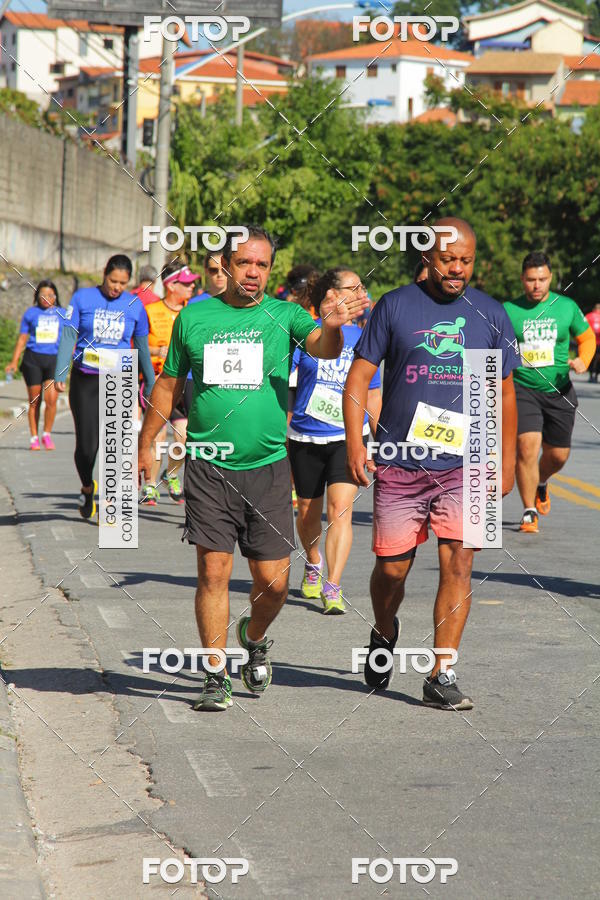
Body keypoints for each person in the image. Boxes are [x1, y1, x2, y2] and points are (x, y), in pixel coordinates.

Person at [138, 226, 368, 711]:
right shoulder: (194, 319)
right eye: (245, 263)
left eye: (262, 265)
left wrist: (330, 324)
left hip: (267, 470)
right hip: (208, 465)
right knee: (213, 573)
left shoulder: (284, 315)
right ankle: (215, 674)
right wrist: (147, 443)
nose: (254, 273)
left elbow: (325, 349)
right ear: (225, 265)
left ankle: (254, 636)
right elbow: (167, 387)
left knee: (275, 583)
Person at [344, 217, 520, 711]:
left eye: (466, 260)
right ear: (427, 257)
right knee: (393, 571)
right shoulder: (396, 307)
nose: (457, 269)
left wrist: (502, 461)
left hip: (466, 463)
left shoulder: (489, 314)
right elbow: (358, 378)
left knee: (459, 563)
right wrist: (355, 443)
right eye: (448, 260)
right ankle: (384, 630)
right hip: (400, 462)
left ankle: (441, 672)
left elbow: (504, 392)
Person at [289, 268, 382, 613]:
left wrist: (377, 441)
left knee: (339, 511)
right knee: (308, 514)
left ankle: (333, 584)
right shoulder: (307, 332)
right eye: (351, 288)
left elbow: (372, 394)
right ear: (331, 293)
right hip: (304, 435)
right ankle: (313, 561)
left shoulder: (365, 337)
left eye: (361, 287)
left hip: (347, 436)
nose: (360, 292)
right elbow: (288, 387)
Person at [54, 255, 155, 520]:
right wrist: (60, 372)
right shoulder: (82, 298)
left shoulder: (134, 306)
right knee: (87, 448)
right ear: (104, 274)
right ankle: (88, 488)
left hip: (120, 377)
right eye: (113, 281)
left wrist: (150, 384)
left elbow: (142, 348)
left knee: (117, 447)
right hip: (86, 378)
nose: (117, 287)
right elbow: (68, 335)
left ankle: (110, 505)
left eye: (123, 283)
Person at [504, 252, 596, 533]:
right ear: (522, 279)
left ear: (551, 278)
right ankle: (529, 510)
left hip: (560, 389)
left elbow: (587, 337)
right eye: (531, 280)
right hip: (523, 387)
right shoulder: (508, 309)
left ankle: (541, 482)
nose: (536, 285)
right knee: (527, 446)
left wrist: (584, 360)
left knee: (558, 456)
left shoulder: (566, 306)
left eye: (542, 279)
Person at [143, 262, 200, 506]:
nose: (192, 286)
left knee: (184, 436)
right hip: (158, 381)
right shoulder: (150, 311)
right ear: (171, 285)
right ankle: (149, 484)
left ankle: (171, 474)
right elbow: (137, 345)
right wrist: (158, 350)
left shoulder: (195, 312)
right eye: (187, 283)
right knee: (156, 435)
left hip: (186, 382)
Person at [5, 280, 64, 450]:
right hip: (33, 360)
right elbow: (23, 338)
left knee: (52, 399)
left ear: (56, 296)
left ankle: (46, 434)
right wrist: (14, 361)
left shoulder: (62, 314)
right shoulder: (31, 314)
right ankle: (33, 438)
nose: (47, 298)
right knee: (34, 400)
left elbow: (70, 338)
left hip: (53, 359)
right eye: (43, 295)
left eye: (50, 295)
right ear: (37, 296)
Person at [585, 302, 600, 383]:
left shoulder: (589, 316)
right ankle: (596, 376)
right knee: (598, 360)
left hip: (590, 342)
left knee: (591, 359)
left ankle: (591, 376)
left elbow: (583, 327)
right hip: (599, 342)